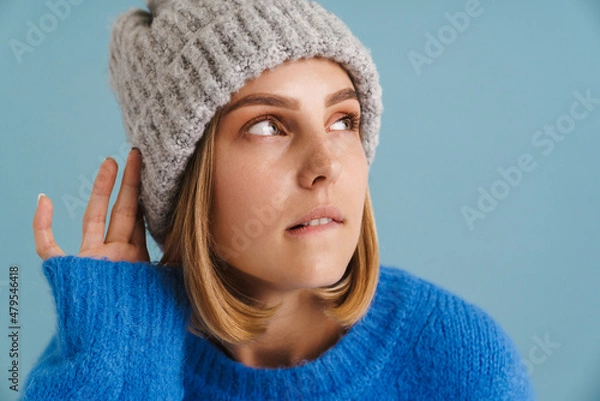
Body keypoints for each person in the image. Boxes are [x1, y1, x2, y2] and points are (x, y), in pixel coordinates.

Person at [23, 0, 536, 399]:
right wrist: (120, 349)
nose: (325, 166)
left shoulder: (459, 358)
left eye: (344, 121)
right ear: (186, 179)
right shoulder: (106, 352)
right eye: (268, 125)